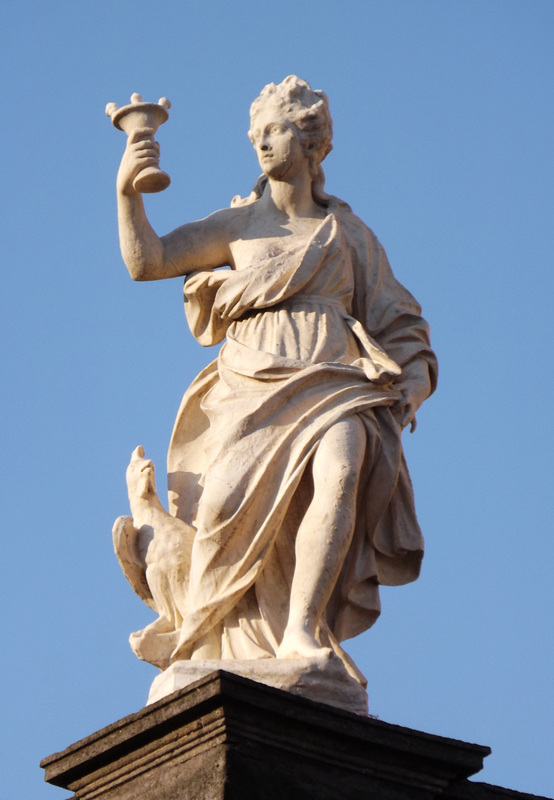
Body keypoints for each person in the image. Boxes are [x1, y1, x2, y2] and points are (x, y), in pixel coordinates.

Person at [114, 76, 437, 679]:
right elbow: (148, 261)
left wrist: (411, 385)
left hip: (335, 375)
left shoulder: (350, 235)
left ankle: (302, 632)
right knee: (221, 514)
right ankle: (210, 634)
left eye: (275, 131)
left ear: (311, 139)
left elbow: (401, 322)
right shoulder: (238, 227)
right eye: (256, 134)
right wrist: (127, 192)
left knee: (341, 469)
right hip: (251, 381)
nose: (262, 145)